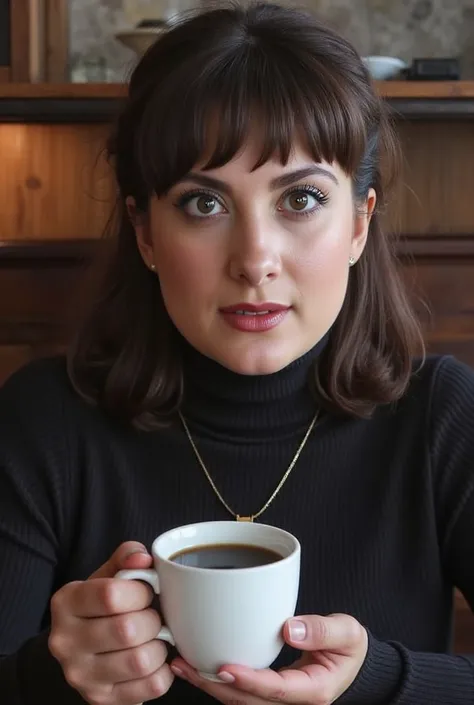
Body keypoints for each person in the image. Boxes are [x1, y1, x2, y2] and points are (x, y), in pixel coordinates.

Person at [1, 2, 474, 704]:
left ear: (359, 224)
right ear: (145, 232)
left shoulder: (441, 416)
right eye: (203, 204)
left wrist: (375, 680)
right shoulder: (44, 421)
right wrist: (52, 673)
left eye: (303, 198)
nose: (255, 260)